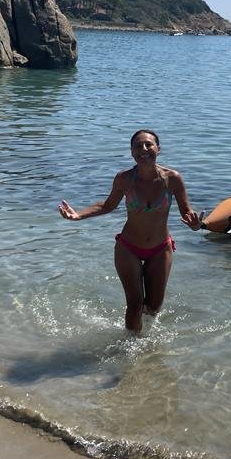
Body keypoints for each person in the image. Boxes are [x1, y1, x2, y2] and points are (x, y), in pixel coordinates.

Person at [58, 129, 200, 333]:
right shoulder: (124, 179)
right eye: (137, 146)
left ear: (158, 149)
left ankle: (145, 340)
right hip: (129, 248)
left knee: (153, 307)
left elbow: (187, 212)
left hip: (160, 249)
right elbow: (108, 206)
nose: (143, 149)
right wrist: (79, 215)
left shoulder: (173, 179)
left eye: (148, 144)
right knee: (134, 306)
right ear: (132, 152)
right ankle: (131, 351)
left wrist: (194, 225)